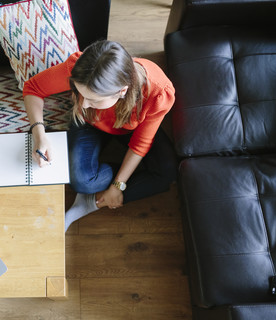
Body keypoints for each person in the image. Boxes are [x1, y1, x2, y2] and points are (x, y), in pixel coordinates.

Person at [23, 40, 177, 231]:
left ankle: (92, 202)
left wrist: (117, 186)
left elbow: (141, 143)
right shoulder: (81, 68)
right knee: (81, 181)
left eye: (94, 99)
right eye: (80, 94)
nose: (84, 105)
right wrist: (39, 134)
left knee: (168, 171)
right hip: (89, 124)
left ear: (122, 91)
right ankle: (107, 188)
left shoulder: (159, 93)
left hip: (131, 130)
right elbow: (33, 88)